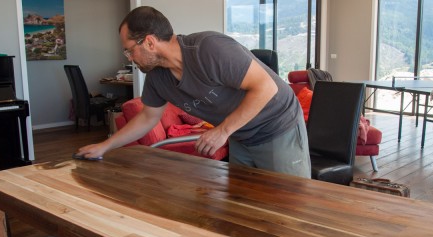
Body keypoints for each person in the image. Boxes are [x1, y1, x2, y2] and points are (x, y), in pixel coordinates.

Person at [76, 6, 311, 178]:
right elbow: (148, 117)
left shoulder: (209, 49)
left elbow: (266, 87)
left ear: (149, 42)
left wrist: (223, 131)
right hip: (242, 136)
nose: (129, 58)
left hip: (278, 127)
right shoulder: (157, 76)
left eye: (129, 51)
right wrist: (104, 146)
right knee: (245, 206)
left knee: (289, 209)